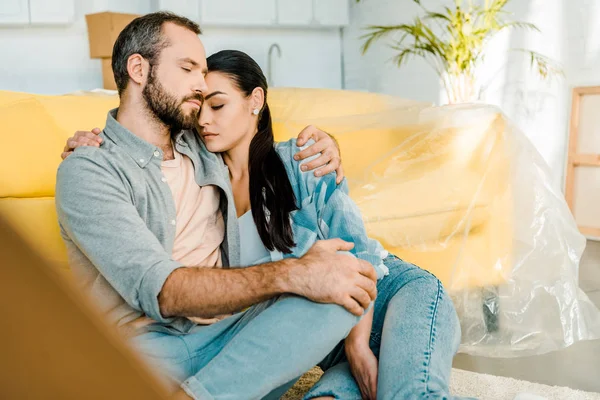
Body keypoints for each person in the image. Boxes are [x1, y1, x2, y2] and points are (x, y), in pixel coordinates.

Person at [59, 12, 470, 400]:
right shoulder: (103, 167)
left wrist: (328, 145)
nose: (200, 90)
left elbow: (348, 244)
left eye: (204, 77)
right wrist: (295, 274)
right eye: (188, 70)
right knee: (322, 286)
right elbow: (163, 289)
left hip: (293, 313)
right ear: (138, 69)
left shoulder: (209, 148)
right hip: (155, 343)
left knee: (337, 283)